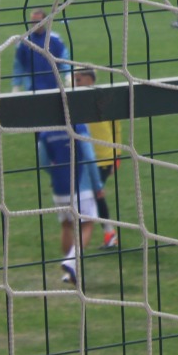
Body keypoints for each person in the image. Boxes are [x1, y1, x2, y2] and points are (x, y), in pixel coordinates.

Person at [38, 125, 96, 287]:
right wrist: (97, 184)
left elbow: (43, 161)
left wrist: (57, 175)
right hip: (81, 187)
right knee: (87, 224)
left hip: (59, 188)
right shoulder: (79, 127)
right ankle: (71, 262)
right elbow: (89, 156)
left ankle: (70, 274)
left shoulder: (45, 132)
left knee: (66, 225)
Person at [71, 69, 120, 249]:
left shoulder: (102, 99)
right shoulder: (76, 100)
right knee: (91, 196)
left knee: (94, 196)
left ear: (90, 80)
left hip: (102, 158)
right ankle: (107, 233)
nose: (75, 83)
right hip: (86, 158)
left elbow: (116, 127)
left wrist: (117, 155)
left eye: (79, 80)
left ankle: (109, 234)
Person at [12, 8, 70, 92]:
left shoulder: (55, 39)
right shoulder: (24, 42)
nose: (34, 24)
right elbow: (19, 65)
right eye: (33, 21)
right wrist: (16, 85)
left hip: (53, 86)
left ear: (45, 21)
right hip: (32, 89)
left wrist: (68, 75)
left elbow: (63, 58)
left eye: (37, 21)